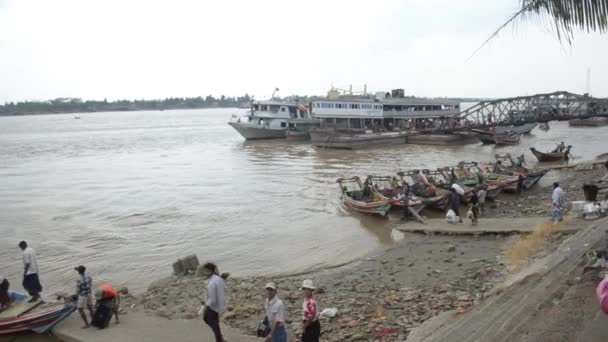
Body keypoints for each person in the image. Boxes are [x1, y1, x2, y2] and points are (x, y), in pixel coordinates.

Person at [201, 263, 226, 342]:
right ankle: (220, 339)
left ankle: (220, 340)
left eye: (205, 271)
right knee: (215, 325)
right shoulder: (218, 279)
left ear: (209, 271)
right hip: (219, 305)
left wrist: (205, 305)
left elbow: (212, 300)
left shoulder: (211, 284)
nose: (203, 273)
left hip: (213, 308)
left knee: (210, 322)